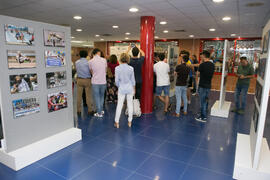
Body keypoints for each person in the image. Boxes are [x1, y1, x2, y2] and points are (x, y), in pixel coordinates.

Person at [114, 53, 135, 128]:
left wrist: (119, 86)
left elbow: (116, 81)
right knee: (130, 105)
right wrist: (134, 88)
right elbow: (133, 80)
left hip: (121, 88)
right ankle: (130, 121)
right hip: (130, 88)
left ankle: (117, 122)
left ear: (120, 59)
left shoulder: (117, 68)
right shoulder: (131, 68)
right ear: (128, 59)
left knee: (119, 105)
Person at [195, 50, 215, 122]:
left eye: (201, 56)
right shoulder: (212, 65)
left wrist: (200, 72)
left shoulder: (202, 65)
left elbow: (197, 74)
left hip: (202, 85)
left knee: (202, 101)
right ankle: (204, 113)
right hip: (208, 85)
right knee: (205, 100)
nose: (201, 57)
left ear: (203, 56)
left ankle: (203, 117)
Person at [89, 48, 107, 118]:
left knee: (96, 97)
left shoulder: (90, 61)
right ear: (98, 53)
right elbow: (105, 71)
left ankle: (99, 113)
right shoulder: (104, 60)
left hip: (95, 81)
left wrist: (95, 74)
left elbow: (91, 71)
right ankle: (101, 110)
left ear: (93, 54)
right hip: (103, 81)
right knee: (102, 96)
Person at [75, 50, 94, 116]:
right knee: (88, 96)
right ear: (86, 55)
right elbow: (91, 71)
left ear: (80, 55)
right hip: (87, 80)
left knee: (79, 96)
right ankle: (90, 110)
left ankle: (78, 111)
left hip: (79, 80)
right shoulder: (88, 62)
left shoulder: (77, 62)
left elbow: (77, 70)